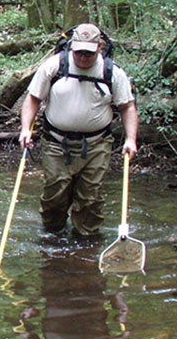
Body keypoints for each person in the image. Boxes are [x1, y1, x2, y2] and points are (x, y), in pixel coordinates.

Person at [19, 23, 138, 236]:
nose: (82, 58)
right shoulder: (54, 66)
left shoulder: (112, 72)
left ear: (99, 47)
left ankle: (86, 243)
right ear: (71, 46)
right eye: (78, 52)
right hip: (56, 143)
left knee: (90, 198)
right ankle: (52, 237)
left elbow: (127, 107)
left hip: (97, 145)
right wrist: (25, 128)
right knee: (54, 195)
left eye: (88, 53)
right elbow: (33, 98)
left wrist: (131, 139)